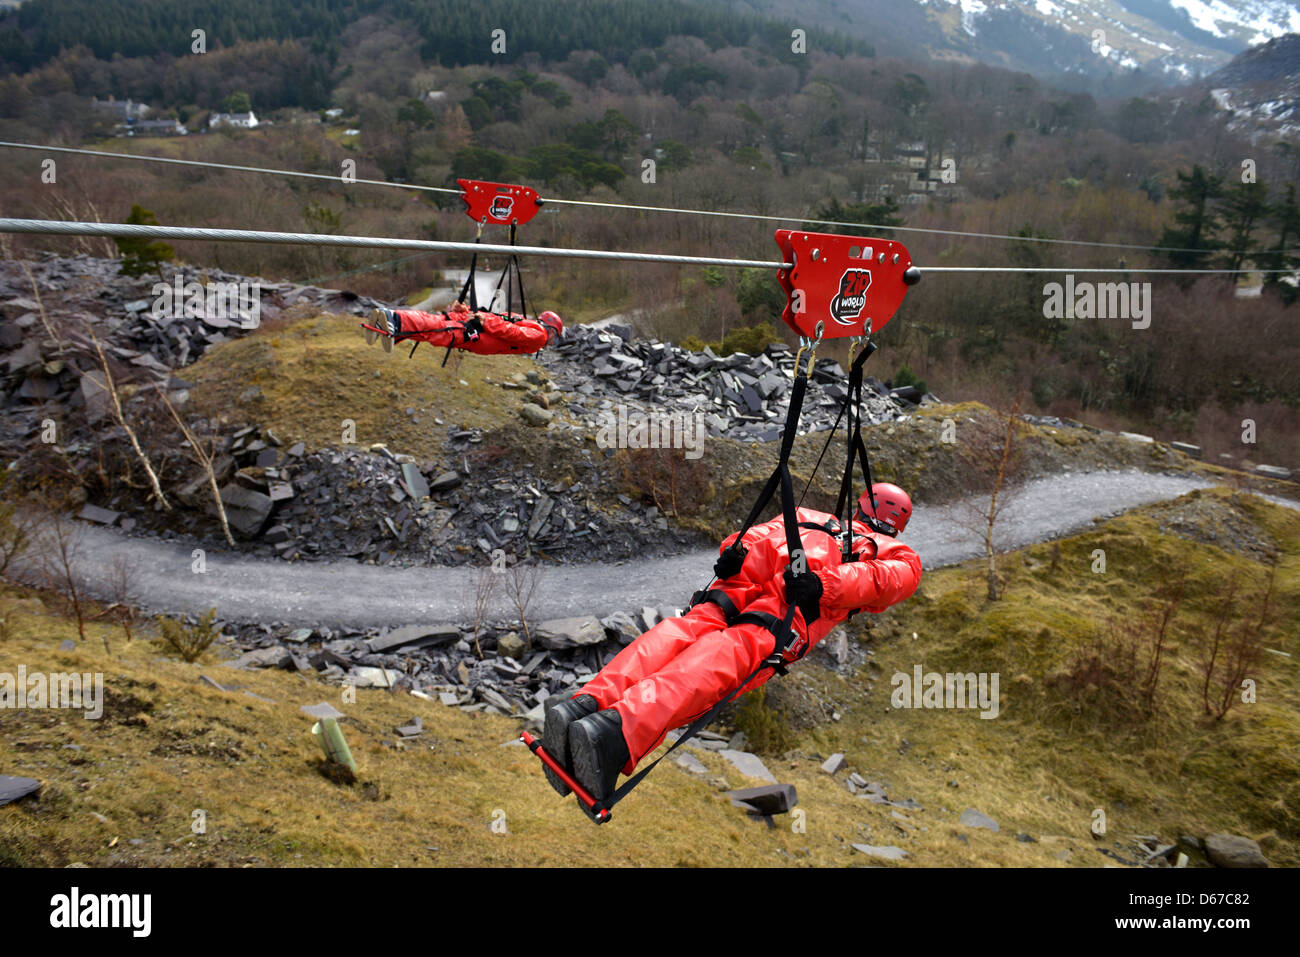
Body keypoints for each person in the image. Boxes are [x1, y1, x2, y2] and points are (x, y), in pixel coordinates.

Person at [542, 482, 923, 805]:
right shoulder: (896, 553)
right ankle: (613, 734)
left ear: (862, 502)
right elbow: (885, 580)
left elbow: (754, 538)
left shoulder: (810, 516)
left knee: (673, 636)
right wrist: (824, 585)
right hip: (780, 615)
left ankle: (586, 704)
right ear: (898, 525)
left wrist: (733, 552)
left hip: (732, 592)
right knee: (706, 669)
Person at [362, 301, 563, 356]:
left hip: (478, 332)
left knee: (436, 328)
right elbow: (510, 331)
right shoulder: (539, 335)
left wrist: (477, 316)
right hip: (478, 333)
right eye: (554, 336)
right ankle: (394, 321)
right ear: (551, 329)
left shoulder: (529, 326)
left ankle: (393, 326)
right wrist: (475, 316)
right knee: (436, 329)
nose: (551, 341)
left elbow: (504, 325)